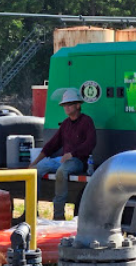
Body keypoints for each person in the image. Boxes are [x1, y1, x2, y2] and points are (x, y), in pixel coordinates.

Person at [29, 88, 96, 220]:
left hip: (78, 161)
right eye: (64, 105)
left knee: (61, 172)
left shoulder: (87, 121)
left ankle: (58, 215)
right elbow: (52, 145)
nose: (66, 107)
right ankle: (31, 211)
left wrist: (72, 154)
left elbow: (91, 143)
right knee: (35, 171)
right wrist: (35, 162)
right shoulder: (65, 124)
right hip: (63, 159)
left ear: (78, 105)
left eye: (69, 104)